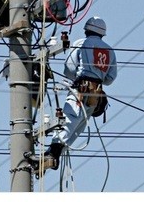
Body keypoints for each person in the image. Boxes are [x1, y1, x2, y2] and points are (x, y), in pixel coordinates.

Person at [41, 16, 118, 174]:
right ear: (102, 33)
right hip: (96, 96)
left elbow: (69, 69)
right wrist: (98, 75)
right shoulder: (109, 50)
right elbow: (110, 78)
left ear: (86, 30)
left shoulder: (81, 43)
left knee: (68, 120)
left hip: (80, 91)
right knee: (79, 126)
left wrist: (77, 76)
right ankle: (56, 155)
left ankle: (53, 153)